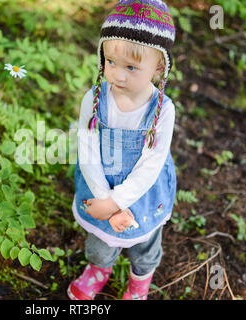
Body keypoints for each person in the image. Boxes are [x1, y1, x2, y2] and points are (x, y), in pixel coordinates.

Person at [68, 0, 177, 300]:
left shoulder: (162, 110)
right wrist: (104, 200)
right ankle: (99, 270)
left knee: (144, 242)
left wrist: (116, 202)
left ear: (158, 67)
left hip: (143, 193)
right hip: (98, 183)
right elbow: (87, 151)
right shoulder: (94, 98)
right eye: (111, 61)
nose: (117, 75)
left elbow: (151, 165)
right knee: (100, 241)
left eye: (131, 67)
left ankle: (139, 283)